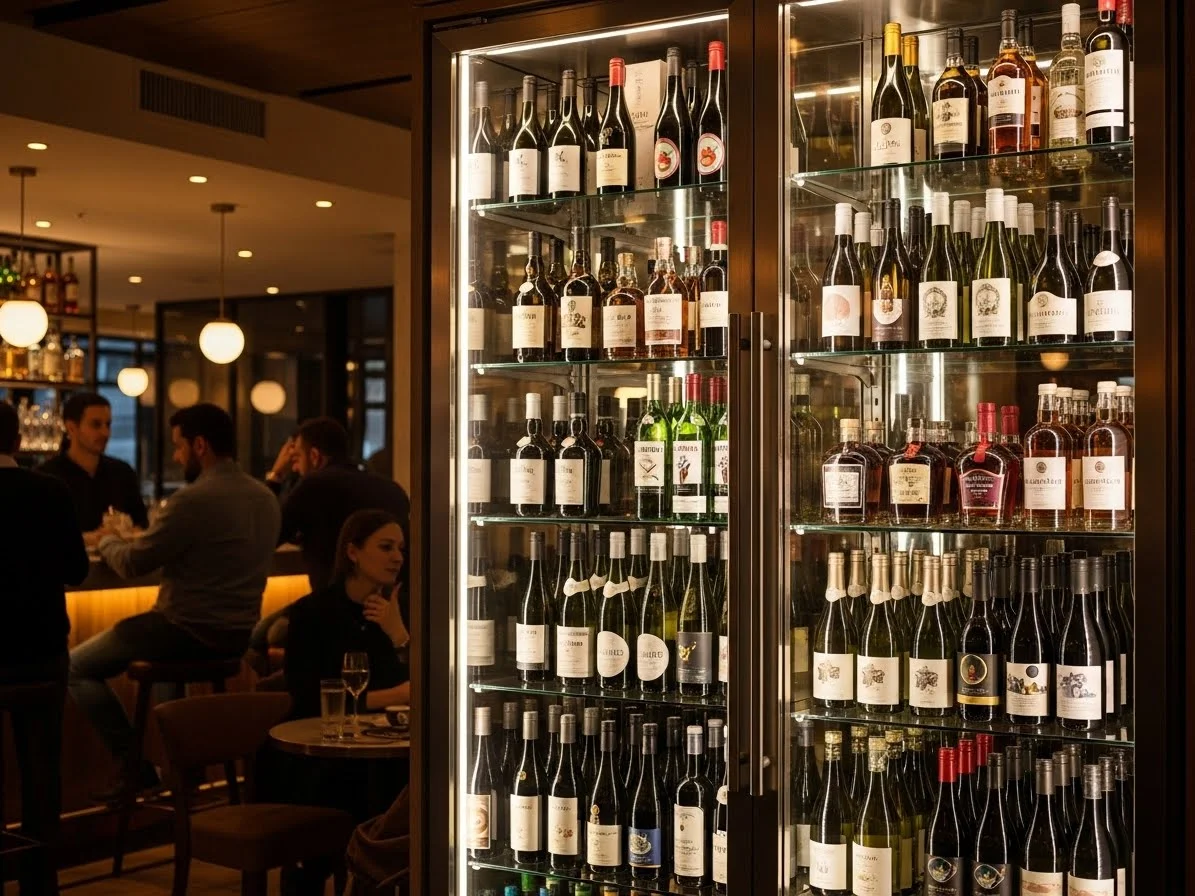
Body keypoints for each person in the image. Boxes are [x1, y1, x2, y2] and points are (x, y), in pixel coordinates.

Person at [69, 403, 281, 796]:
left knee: (75, 666)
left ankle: (135, 766)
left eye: (179, 446)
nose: (177, 456)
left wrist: (109, 540)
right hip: (235, 635)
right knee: (165, 661)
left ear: (200, 446)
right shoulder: (265, 498)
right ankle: (184, 767)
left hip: (182, 629)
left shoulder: (192, 500)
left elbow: (133, 564)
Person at [0, 400, 90, 895]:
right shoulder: (51, 490)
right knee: (41, 772)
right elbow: (76, 570)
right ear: (17, 441)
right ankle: (40, 883)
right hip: (41, 651)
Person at [284, 509, 410, 719]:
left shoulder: (402, 609)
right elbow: (308, 697)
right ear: (352, 552)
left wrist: (399, 635)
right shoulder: (313, 611)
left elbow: (428, 687)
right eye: (386, 547)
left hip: (389, 733)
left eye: (400, 549)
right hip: (320, 731)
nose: (398, 558)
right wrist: (395, 696)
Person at [271, 417, 411, 592]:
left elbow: (269, 537)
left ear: (314, 456)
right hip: (393, 601)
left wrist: (276, 476)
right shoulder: (392, 489)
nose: (294, 468)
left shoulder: (314, 485)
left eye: (296, 458)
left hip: (334, 602)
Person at [38, 392, 149, 539]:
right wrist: (95, 538)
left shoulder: (122, 473)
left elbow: (142, 526)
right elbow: (41, 536)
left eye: (108, 424)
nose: (105, 433)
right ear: (71, 428)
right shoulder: (47, 477)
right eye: (96, 425)